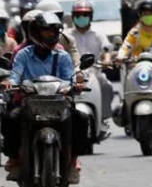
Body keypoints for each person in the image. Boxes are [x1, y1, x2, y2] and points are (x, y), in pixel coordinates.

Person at [2, 12, 88, 184]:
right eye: (47, 31)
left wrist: (75, 85)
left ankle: (72, 163)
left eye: (55, 31)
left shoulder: (62, 56)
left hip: (59, 105)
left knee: (82, 119)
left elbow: (70, 78)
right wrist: (10, 83)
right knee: (9, 118)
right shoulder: (23, 55)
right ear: (36, 32)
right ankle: (15, 160)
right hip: (30, 105)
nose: (51, 35)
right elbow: (15, 75)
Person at [66, 0, 115, 122]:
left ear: (90, 16)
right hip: (72, 75)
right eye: (78, 15)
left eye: (85, 15)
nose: (81, 18)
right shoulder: (67, 36)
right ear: (73, 17)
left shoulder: (98, 35)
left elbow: (106, 49)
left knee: (106, 86)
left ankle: (102, 118)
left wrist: (107, 60)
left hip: (95, 74)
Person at [116, 0, 152, 64]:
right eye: (145, 14)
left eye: (150, 14)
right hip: (138, 66)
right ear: (140, 15)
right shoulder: (135, 32)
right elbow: (126, 46)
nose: (148, 16)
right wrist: (121, 56)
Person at [35, 0, 81, 67]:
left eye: (57, 17)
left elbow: (77, 61)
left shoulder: (67, 40)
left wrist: (78, 70)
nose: (53, 21)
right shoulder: (31, 41)